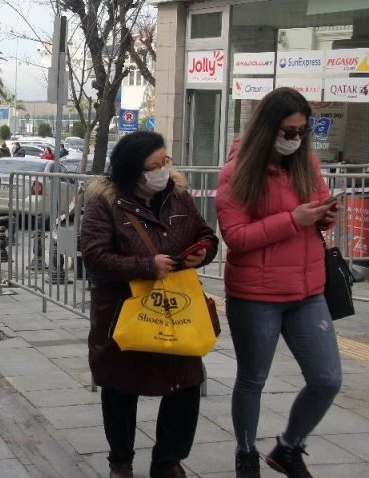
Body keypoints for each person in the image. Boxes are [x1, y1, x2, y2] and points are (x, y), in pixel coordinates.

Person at [215, 87, 341, 478]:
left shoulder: (306, 163)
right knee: (253, 378)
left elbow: (316, 204)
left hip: (307, 291)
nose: (296, 139)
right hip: (256, 294)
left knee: (327, 378)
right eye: (288, 131)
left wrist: (324, 216)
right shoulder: (237, 172)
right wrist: (294, 221)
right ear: (268, 128)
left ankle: (288, 447)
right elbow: (235, 238)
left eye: (302, 131)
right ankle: (246, 451)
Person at [79, 131, 218, 478]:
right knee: (120, 389)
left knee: (184, 388)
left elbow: (205, 232)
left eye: (165, 162)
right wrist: (146, 266)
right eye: (154, 166)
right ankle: (121, 460)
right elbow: (94, 257)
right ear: (132, 171)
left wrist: (204, 250)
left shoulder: (178, 196)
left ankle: (168, 461)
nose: (162, 171)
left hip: (178, 309)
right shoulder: (105, 203)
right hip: (124, 311)